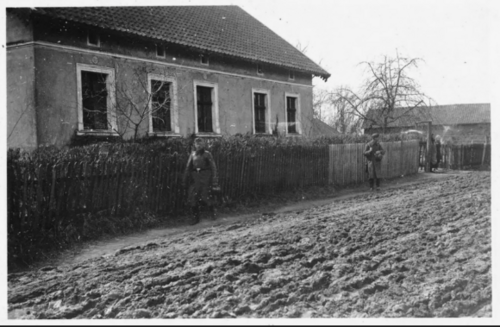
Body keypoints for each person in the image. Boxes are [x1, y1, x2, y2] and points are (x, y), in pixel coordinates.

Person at [183, 138, 219, 225]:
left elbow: (213, 167)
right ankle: (196, 218)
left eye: (200, 144)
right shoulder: (193, 154)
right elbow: (188, 167)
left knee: (205, 196)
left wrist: (214, 179)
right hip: (195, 177)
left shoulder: (207, 154)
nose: (198, 145)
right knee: (193, 197)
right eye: (197, 144)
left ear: (203, 145)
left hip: (205, 177)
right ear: (194, 145)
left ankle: (213, 212)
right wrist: (184, 179)